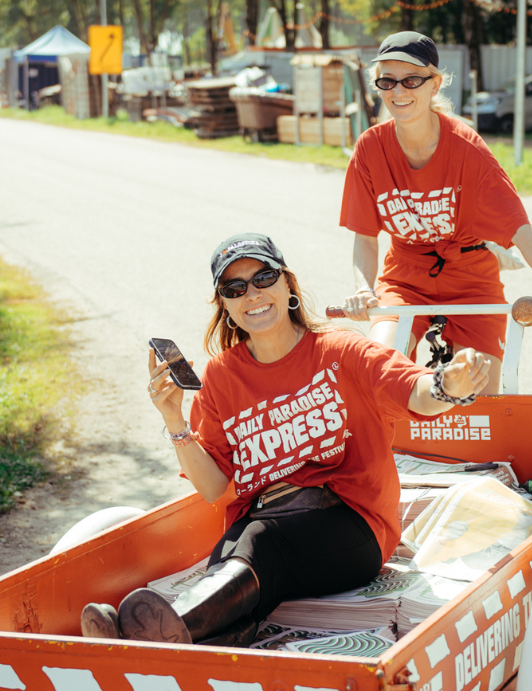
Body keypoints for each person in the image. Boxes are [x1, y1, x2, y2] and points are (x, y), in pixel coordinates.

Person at [80, 232, 489, 647]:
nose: (252, 294)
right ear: (224, 305)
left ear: (287, 284)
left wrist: (447, 385)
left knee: (261, 545)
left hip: (351, 524)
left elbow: (414, 391)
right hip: (260, 523)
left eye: (263, 278)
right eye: (235, 288)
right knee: (235, 566)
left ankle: (146, 634)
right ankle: (151, 639)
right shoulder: (221, 376)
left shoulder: (340, 350)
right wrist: (174, 421)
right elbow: (213, 487)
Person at [340, 31, 532, 394]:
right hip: (405, 276)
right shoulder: (370, 148)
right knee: (380, 371)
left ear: (434, 84)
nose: (398, 91)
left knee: (478, 394)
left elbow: (517, 227)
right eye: (387, 81)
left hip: (470, 277)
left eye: (411, 80)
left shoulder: (468, 148)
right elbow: (365, 237)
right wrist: (363, 289)